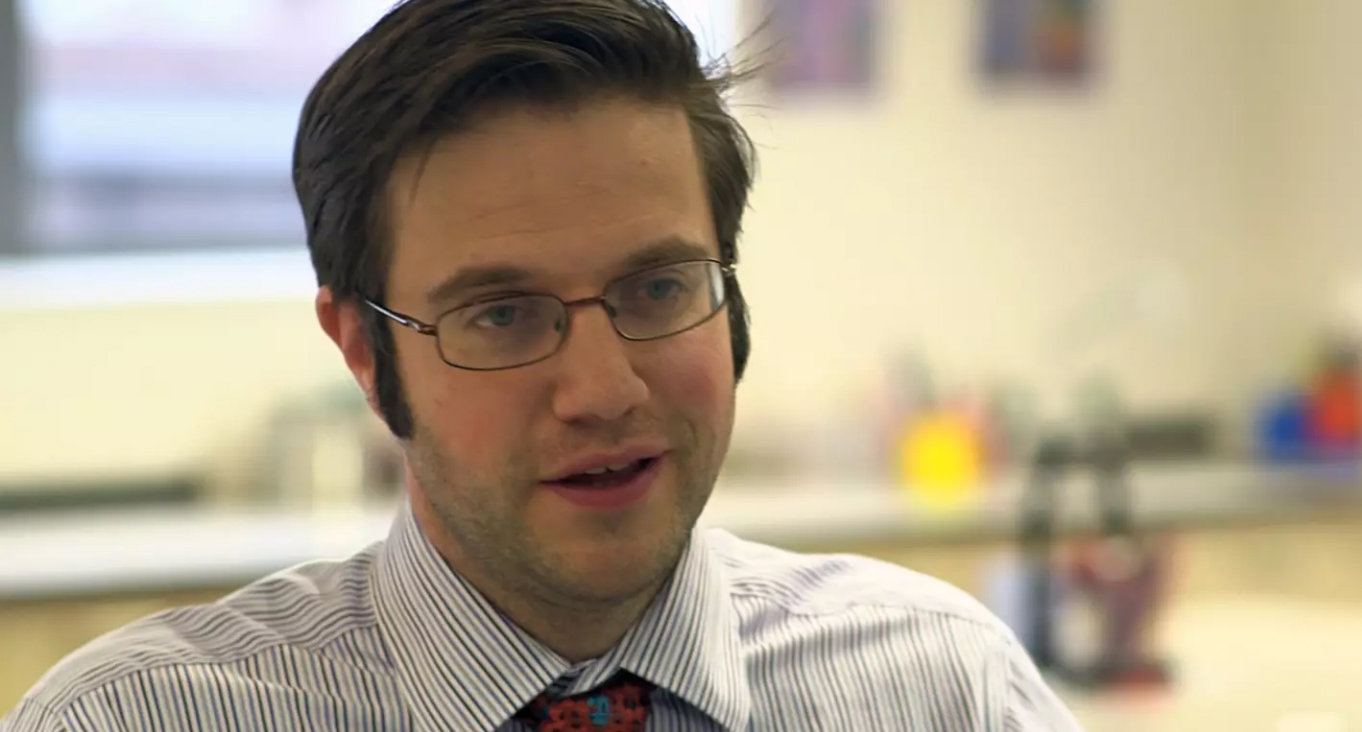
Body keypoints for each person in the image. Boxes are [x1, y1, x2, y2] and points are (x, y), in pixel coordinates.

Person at [2, 1, 1084, 730]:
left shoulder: (943, 688)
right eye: (503, 315)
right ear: (365, 352)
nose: (604, 391)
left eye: (658, 288)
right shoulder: (132, 720)